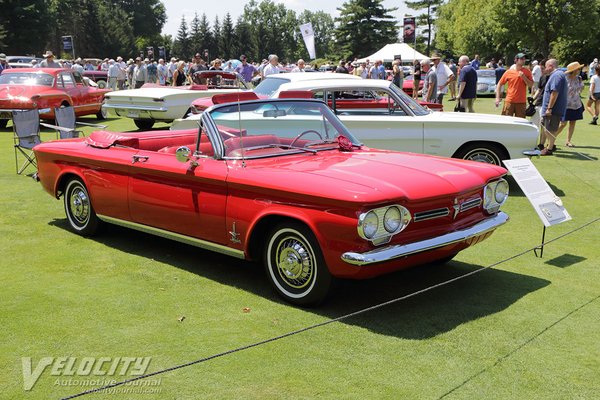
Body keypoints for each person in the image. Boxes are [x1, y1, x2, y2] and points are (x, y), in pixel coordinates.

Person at [539, 59, 568, 156]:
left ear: (551, 66)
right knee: (548, 128)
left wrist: (549, 108)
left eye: (546, 67)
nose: (545, 69)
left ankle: (549, 148)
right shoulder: (558, 75)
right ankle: (547, 146)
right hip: (553, 109)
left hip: (553, 110)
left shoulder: (556, 75)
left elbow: (554, 92)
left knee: (550, 129)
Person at [554, 62, 585, 147]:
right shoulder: (564, 78)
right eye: (578, 69)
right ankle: (552, 138)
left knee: (572, 122)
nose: (579, 70)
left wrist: (581, 83)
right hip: (565, 104)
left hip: (575, 104)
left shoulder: (578, 78)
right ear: (574, 70)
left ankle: (568, 141)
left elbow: (580, 89)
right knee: (563, 123)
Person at [495, 53, 533, 118]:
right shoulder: (508, 72)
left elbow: (531, 85)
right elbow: (499, 84)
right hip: (509, 101)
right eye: (521, 59)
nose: (524, 60)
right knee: (506, 122)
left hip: (521, 102)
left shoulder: (527, 72)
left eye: (524, 59)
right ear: (516, 60)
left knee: (521, 123)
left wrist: (524, 77)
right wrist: (497, 98)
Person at [531, 59, 549, 147]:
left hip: (546, 104)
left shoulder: (552, 77)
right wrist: (533, 99)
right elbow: (539, 89)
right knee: (534, 124)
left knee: (543, 125)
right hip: (538, 102)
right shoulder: (542, 77)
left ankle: (541, 144)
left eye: (543, 68)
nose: (541, 70)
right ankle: (532, 142)